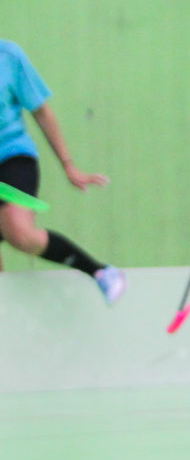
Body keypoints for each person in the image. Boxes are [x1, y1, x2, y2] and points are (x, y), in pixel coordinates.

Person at [0, 39, 125, 303]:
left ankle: (100, 271)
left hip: (11, 157)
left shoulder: (8, 56)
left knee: (19, 232)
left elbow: (42, 112)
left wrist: (68, 166)